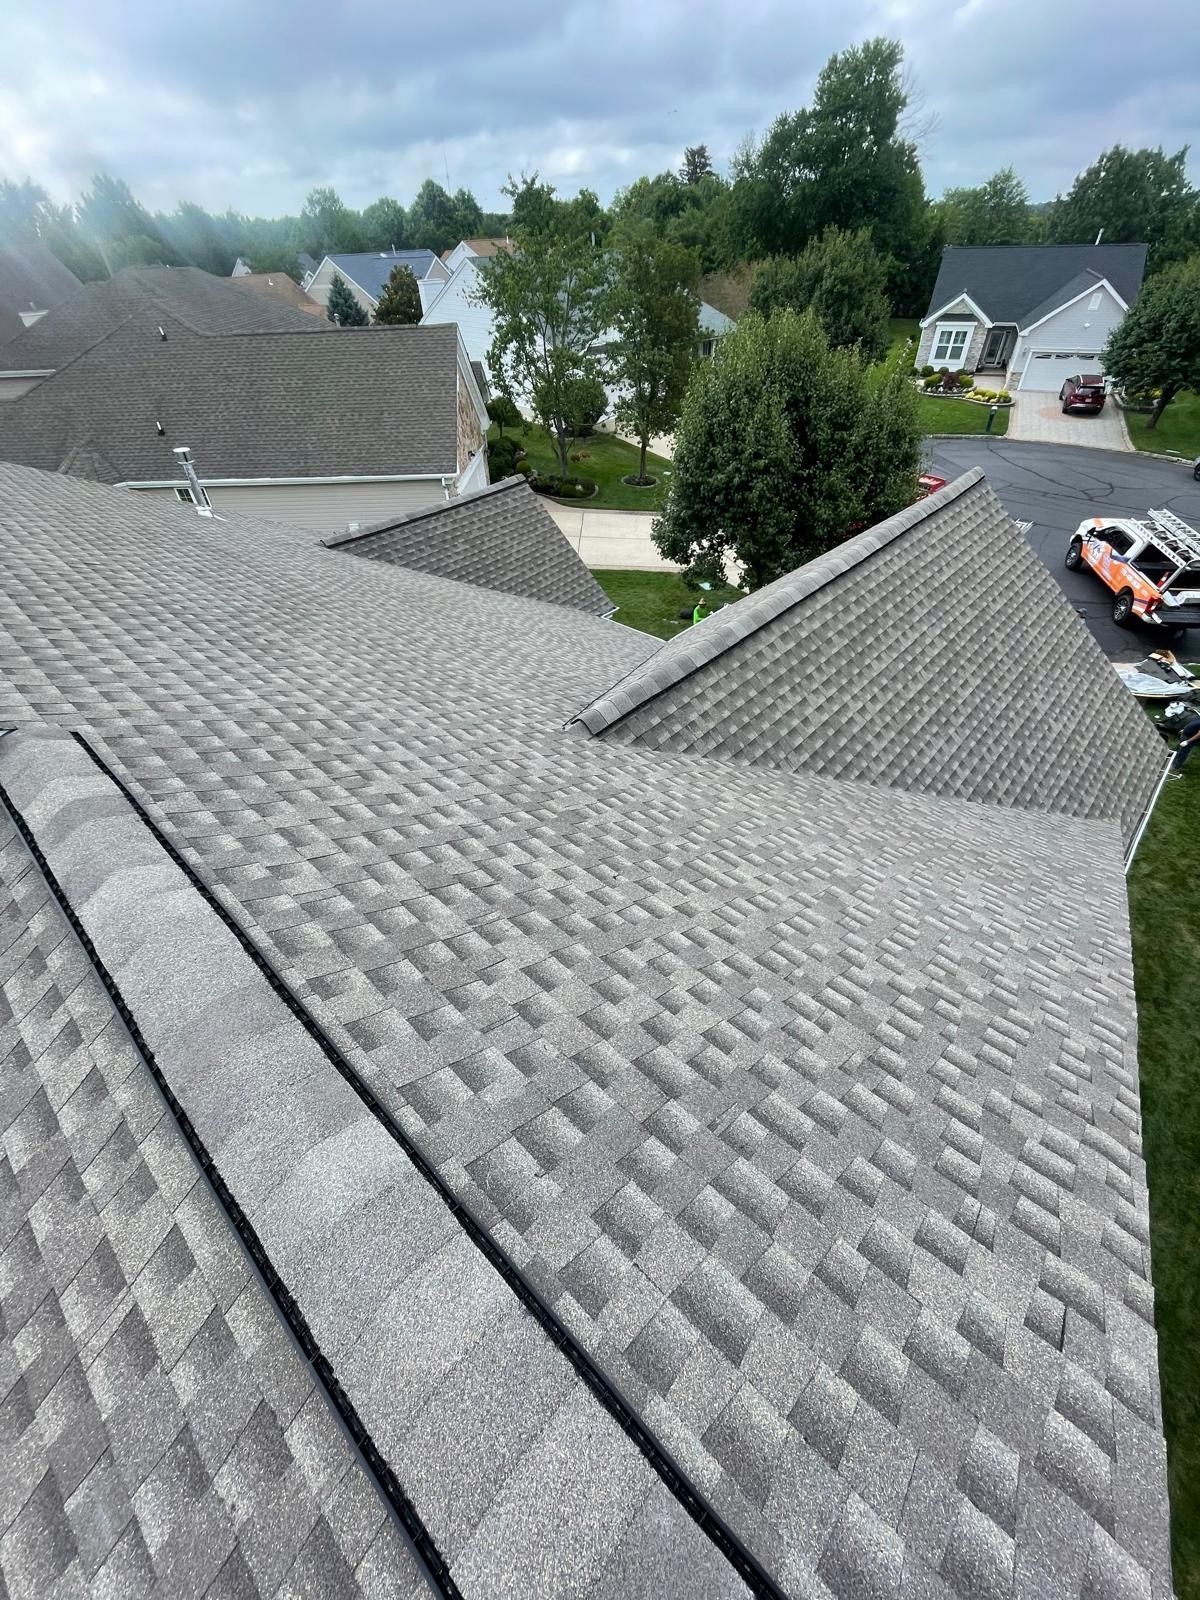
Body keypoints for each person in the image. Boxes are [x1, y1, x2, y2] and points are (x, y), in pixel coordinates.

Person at [1168, 712, 1200, 776]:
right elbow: (1193, 723)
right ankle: (1173, 754)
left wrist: (1187, 741)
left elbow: (1199, 734)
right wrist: (1184, 729)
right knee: (1179, 747)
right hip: (1185, 734)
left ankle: (1175, 766)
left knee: (1183, 752)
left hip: (1190, 738)